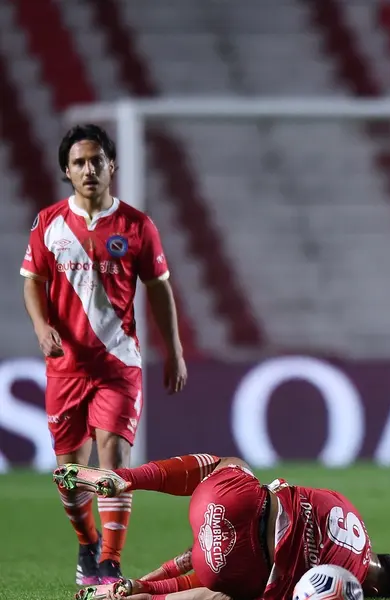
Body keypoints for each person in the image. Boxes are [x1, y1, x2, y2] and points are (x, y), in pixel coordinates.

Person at [22, 124, 188, 586]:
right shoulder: (49, 223)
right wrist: (41, 326)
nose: (89, 169)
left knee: (112, 461)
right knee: (70, 477)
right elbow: (32, 281)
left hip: (118, 364)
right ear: (66, 172)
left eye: (97, 160)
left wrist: (172, 348)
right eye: (79, 162)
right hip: (65, 368)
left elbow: (159, 287)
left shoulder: (137, 225)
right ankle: (87, 543)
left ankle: (111, 564)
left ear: (112, 166)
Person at [57, 455, 390, 600]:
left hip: (224, 504)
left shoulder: (347, 508)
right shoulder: (346, 585)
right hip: (231, 569)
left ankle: (125, 479)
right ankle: (138, 592)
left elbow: (286, 490)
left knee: (230, 464)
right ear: (374, 591)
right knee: (225, 589)